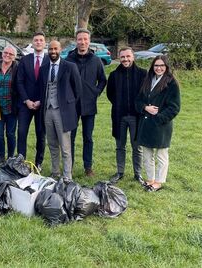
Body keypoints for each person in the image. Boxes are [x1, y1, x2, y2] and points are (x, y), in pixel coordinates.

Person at [135, 55, 180, 191]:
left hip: (161, 125)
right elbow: (138, 101)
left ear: (166, 67)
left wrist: (159, 118)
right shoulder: (148, 80)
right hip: (146, 123)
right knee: (147, 154)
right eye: (156, 65)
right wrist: (145, 108)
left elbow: (174, 107)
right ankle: (150, 179)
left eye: (161, 65)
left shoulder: (171, 83)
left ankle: (159, 182)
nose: (158, 68)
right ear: (152, 67)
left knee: (161, 155)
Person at [65, 28, 107, 177]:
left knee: (88, 137)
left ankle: (88, 167)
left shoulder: (96, 60)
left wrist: (95, 92)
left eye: (85, 39)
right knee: (70, 137)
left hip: (89, 105)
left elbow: (103, 80)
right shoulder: (69, 59)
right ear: (76, 41)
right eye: (80, 39)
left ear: (89, 41)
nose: (82, 42)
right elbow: (63, 81)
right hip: (72, 106)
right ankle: (68, 166)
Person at [38, 40, 82, 179]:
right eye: (50, 49)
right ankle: (55, 171)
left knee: (65, 146)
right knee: (52, 144)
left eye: (55, 49)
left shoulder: (70, 66)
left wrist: (68, 106)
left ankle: (67, 175)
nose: (53, 51)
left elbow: (78, 90)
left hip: (63, 111)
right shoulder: (44, 68)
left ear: (60, 49)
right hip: (47, 111)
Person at [107, 47, 147, 184]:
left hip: (137, 116)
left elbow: (145, 94)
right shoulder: (114, 75)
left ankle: (138, 173)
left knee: (137, 147)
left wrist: (138, 108)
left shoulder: (143, 74)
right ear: (119, 58)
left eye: (128, 56)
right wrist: (120, 105)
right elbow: (110, 94)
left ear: (133, 57)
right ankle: (120, 172)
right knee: (120, 146)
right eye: (123, 57)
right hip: (120, 116)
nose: (125, 59)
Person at [16, 32, 48, 170]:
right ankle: (20, 161)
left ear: (44, 43)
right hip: (26, 104)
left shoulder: (49, 60)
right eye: (36, 40)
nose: (38, 42)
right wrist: (26, 100)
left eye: (41, 40)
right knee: (22, 132)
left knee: (41, 134)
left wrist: (41, 100)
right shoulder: (25, 60)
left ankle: (38, 162)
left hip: (42, 104)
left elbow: (50, 83)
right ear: (32, 43)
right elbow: (19, 81)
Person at [0, 45, 19, 167]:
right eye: (6, 53)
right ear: (2, 53)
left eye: (11, 54)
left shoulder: (17, 68)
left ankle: (11, 157)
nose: (7, 55)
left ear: (14, 57)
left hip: (11, 107)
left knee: (11, 134)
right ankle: (1, 156)